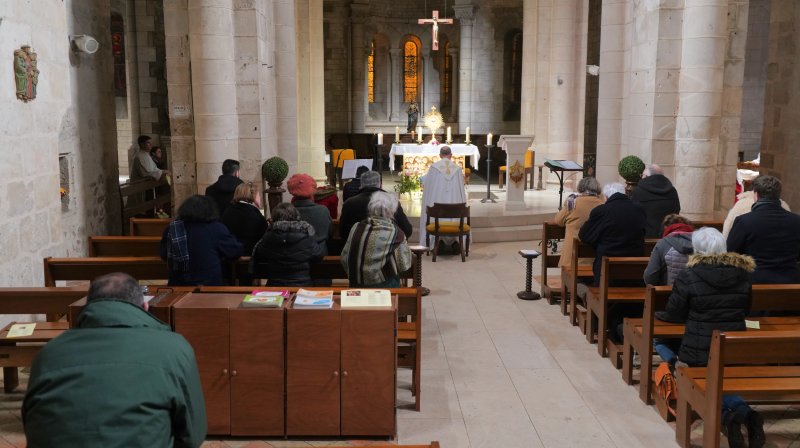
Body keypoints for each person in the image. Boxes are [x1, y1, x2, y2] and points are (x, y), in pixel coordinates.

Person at [23, 273, 207, 448]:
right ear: (144, 307)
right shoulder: (174, 349)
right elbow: (192, 434)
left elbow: (32, 422)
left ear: (89, 306)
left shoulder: (47, 354)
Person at [654, 228, 764, 448]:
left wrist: (659, 314)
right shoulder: (743, 273)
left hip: (698, 352)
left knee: (660, 340)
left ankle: (725, 417)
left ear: (697, 249)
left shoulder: (689, 274)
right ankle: (746, 414)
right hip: (732, 348)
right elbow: (746, 309)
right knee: (720, 379)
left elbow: (675, 314)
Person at [727, 175, 800, 284]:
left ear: (756, 195)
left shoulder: (744, 221)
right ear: (778, 196)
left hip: (754, 281)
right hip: (791, 281)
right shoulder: (796, 221)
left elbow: (732, 252)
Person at [161, 195, 243, 286]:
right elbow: (234, 252)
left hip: (179, 283)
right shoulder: (216, 228)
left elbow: (164, 254)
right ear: (210, 210)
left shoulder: (173, 228)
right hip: (209, 284)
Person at [578, 182, 647, 285]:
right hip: (634, 269)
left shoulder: (602, 211)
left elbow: (584, 236)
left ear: (606, 197)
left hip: (607, 271)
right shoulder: (639, 209)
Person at [341, 191, 413, 287]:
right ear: (392, 210)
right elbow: (404, 264)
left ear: (370, 208)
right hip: (383, 288)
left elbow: (344, 257)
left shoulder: (356, 227)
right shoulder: (396, 233)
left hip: (356, 285)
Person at [251, 203, 324, 286]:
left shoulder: (269, 236)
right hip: (302, 284)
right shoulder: (306, 235)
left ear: (274, 218)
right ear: (296, 216)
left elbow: (261, 253)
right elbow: (318, 255)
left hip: (276, 284)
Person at [340, 170, 413, 239]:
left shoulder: (349, 203)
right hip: (388, 249)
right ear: (380, 184)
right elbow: (406, 230)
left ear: (361, 184)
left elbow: (343, 232)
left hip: (357, 248)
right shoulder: (391, 202)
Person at [418, 146, 467, 247]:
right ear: (451, 155)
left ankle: (436, 241)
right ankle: (454, 242)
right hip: (455, 208)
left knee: (434, 207)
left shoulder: (434, 167)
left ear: (440, 155)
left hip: (437, 209)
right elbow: (461, 189)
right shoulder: (457, 169)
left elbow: (428, 186)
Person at [553, 177, 604, 267]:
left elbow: (558, 221)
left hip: (571, 258)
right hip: (595, 258)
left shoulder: (572, 202)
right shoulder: (602, 205)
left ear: (581, 188)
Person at [630, 164, 681, 238]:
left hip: (645, 237)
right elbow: (677, 210)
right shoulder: (672, 190)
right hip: (668, 236)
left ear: (646, 176)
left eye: (642, 175)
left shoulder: (639, 191)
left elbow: (633, 214)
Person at [644, 214, 695, 286]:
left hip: (667, 295)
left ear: (666, 228)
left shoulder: (662, 244)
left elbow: (650, 278)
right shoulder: (701, 244)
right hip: (697, 295)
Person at [287, 173, 332, 252]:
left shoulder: (286, 212)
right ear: (312, 191)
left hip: (294, 255)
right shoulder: (323, 210)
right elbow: (330, 233)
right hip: (319, 256)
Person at [221, 182, 267, 255]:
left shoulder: (228, 211)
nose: (260, 198)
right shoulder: (255, 214)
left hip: (229, 254)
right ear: (253, 196)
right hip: (250, 255)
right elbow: (264, 236)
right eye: (259, 195)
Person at [722, 189, 790, 238]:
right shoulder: (794, 218)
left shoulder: (742, 214)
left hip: (749, 256)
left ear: (756, 195)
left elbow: (728, 229)